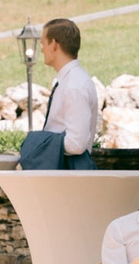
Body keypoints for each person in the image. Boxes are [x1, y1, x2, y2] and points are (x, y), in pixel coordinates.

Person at [37, 18, 99, 170]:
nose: (41, 49)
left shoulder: (74, 85)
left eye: (43, 43)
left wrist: (39, 143)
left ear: (54, 44)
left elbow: (76, 143)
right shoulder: (69, 81)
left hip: (68, 174)